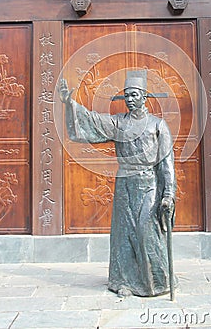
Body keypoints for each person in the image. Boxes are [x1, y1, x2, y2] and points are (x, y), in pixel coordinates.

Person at [59, 71, 176, 297]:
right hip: (125, 185)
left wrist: (168, 194)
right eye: (126, 96)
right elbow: (92, 120)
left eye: (134, 95)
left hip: (149, 185)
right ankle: (124, 281)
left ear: (144, 97)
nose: (130, 99)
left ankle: (157, 282)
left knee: (145, 232)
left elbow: (166, 164)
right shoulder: (118, 123)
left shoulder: (158, 126)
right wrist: (69, 103)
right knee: (123, 235)